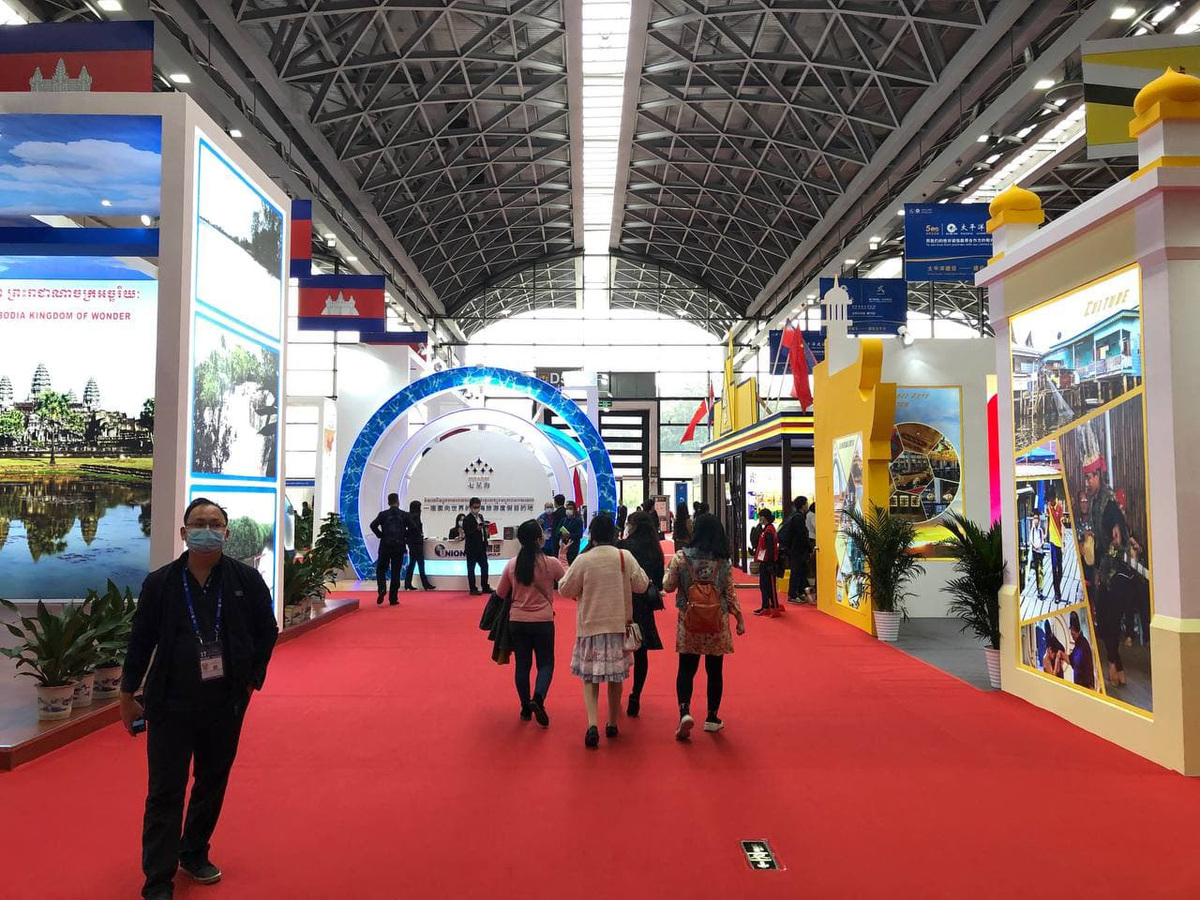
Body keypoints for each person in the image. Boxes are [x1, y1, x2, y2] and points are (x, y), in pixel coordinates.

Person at [119, 497, 278, 900]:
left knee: (211, 782)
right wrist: (127, 692)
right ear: (184, 532)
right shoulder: (160, 583)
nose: (207, 530)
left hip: (226, 703)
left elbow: (267, 630)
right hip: (169, 703)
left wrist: (251, 682)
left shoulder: (246, 581)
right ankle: (158, 879)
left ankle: (193, 851)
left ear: (226, 533)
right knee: (165, 790)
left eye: (215, 524)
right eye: (199, 523)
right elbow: (141, 639)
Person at [557, 513, 649, 748]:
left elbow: (565, 589)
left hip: (590, 626)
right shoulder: (624, 556)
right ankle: (612, 723)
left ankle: (592, 725)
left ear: (592, 535)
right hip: (618, 625)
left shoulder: (584, 560)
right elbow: (641, 585)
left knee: (590, 677)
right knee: (616, 677)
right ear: (614, 534)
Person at [662, 513, 745, 739]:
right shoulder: (723, 561)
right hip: (716, 622)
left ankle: (684, 712)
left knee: (686, 669)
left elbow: (668, 586)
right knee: (715, 671)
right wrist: (739, 618)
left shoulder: (681, 558)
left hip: (689, 622)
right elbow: (730, 592)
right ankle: (712, 717)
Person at [496, 519, 565, 726]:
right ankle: (538, 698)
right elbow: (566, 584)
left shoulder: (512, 564)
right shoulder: (550, 563)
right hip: (543, 620)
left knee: (522, 666)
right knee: (546, 663)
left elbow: (500, 592)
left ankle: (525, 708)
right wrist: (563, 555)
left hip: (517, 620)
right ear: (538, 539)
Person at [618, 510, 665, 718]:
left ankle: (615, 692)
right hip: (644, 604)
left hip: (622, 601)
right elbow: (659, 580)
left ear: (634, 526)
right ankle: (636, 695)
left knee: (617, 648)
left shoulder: (624, 547)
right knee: (641, 651)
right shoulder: (655, 549)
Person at [370, 493, 413, 605]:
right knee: (396, 572)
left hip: (385, 546)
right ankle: (393, 598)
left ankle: (382, 588)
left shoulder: (383, 515)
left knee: (381, 569)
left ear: (388, 502)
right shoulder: (404, 515)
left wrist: (381, 535)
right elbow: (413, 528)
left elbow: (373, 525)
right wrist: (404, 535)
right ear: (398, 501)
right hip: (399, 547)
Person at [779, 496, 811, 605]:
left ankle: (800, 592)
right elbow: (802, 535)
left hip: (793, 548)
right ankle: (793, 595)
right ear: (803, 505)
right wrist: (809, 547)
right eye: (806, 503)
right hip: (797, 549)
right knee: (796, 571)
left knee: (800, 571)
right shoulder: (799, 518)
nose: (807, 505)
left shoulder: (793, 516)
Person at [752, 508, 781, 617]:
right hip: (766, 561)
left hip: (767, 562)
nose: (759, 519)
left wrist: (770, 563)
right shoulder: (768, 529)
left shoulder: (768, 531)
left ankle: (768, 606)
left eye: (760, 516)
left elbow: (770, 548)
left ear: (764, 517)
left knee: (766, 585)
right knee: (766, 585)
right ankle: (769, 605)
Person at [461, 497, 493, 596]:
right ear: (470, 507)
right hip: (472, 548)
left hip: (481, 547)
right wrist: (477, 529)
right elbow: (468, 533)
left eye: (478, 507)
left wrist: (486, 542)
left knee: (485, 567)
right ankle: (473, 588)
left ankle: (485, 586)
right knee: (471, 569)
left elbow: (483, 533)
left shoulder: (480, 516)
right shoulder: (467, 519)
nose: (477, 509)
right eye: (475, 507)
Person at [403, 500, 434, 591]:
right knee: (420, 563)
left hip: (412, 543)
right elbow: (414, 528)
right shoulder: (416, 516)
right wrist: (420, 534)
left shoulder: (409, 516)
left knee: (412, 563)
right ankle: (425, 583)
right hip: (416, 543)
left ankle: (407, 583)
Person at [1046, 487, 1065, 604]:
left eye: (1052, 499)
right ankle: (1057, 594)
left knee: (1060, 569)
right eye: (1049, 500)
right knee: (1054, 567)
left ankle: (1057, 584)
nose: (1051, 501)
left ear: (1054, 497)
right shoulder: (1048, 506)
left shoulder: (1060, 507)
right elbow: (1048, 520)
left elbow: (1062, 526)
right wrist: (1046, 533)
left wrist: (1063, 543)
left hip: (1059, 540)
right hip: (1052, 540)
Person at [1069, 610, 1095, 689]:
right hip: (1080, 684)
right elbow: (1071, 660)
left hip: (1084, 686)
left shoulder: (1083, 646)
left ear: (1073, 631)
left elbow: (1087, 668)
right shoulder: (1079, 645)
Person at [1027, 512, 1047, 602]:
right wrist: (1035, 546)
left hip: (1040, 552)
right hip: (1035, 551)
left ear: (1039, 520)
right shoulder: (1032, 530)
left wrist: (1039, 546)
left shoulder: (1040, 530)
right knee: (1036, 570)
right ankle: (1038, 589)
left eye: (1037, 518)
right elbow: (1031, 540)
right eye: (1034, 518)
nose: (1036, 520)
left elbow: (1043, 540)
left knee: (1040, 570)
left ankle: (1041, 589)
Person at [558, 500, 584, 564]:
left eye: (570, 509)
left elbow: (580, 535)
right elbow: (557, 532)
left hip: (573, 549)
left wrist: (570, 535)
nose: (568, 510)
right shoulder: (563, 520)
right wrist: (562, 534)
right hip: (563, 547)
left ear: (574, 510)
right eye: (567, 509)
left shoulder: (578, 521)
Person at [806, 502, 817, 599]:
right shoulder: (812, 515)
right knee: (813, 559)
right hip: (813, 538)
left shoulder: (808, 514)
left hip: (810, 537)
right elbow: (816, 527)